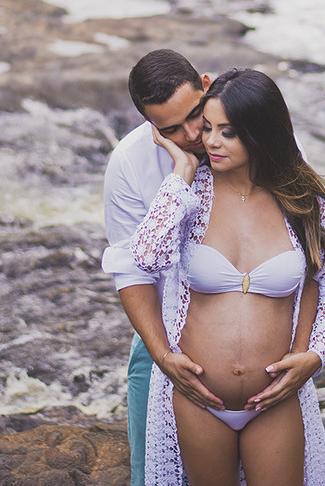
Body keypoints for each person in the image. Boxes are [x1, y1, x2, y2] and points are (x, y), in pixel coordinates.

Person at [131, 68, 325, 486]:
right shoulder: (190, 195)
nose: (208, 141)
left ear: (259, 132)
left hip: (274, 400)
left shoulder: (305, 203)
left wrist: (315, 354)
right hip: (199, 401)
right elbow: (145, 256)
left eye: (227, 132)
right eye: (208, 127)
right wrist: (181, 170)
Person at [102, 49, 221, 486]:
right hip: (167, 332)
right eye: (170, 129)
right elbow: (133, 270)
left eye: (196, 114)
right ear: (149, 124)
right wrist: (163, 356)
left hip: (254, 337)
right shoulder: (129, 163)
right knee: (154, 475)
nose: (193, 134)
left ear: (206, 85)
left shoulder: (262, 135)